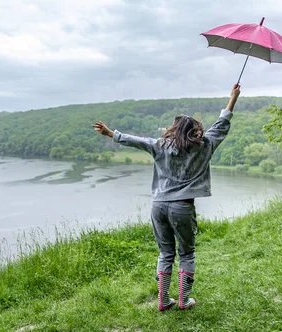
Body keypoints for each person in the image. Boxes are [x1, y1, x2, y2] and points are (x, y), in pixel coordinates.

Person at [92, 84, 241, 311]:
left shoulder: (160, 145)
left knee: (166, 253)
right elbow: (222, 124)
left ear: (174, 130)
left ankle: (163, 301)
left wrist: (111, 133)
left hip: (158, 206)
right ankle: (184, 300)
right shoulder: (205, 145)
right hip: (182, 207)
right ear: (195, 131)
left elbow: (136, 140)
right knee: (187, 253)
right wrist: (233, 98)